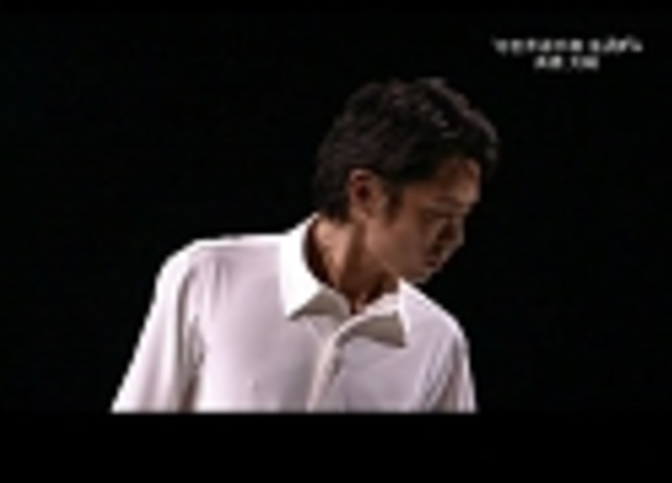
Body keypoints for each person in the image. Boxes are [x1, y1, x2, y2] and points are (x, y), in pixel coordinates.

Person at [111, 77, 500, 412]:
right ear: (364, 193)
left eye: (463, 216)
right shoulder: (208, 277)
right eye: (439, 214)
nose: (456, 238)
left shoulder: (438, 340)